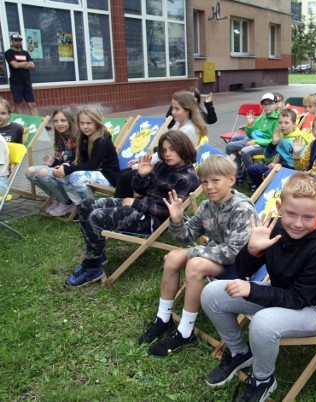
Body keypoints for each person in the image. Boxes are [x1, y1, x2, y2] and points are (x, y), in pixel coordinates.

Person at [201, 172, 316, 401]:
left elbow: (297, 299)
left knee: (263, 324)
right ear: (280, 207)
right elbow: (243, 270)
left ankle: (263, 379)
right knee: (212, 293)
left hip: (312, 310)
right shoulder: (275, 230)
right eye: (291, 213)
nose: (297, 223)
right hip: (279, 295)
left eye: (308, 217)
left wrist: (253, 290)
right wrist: (252, 249)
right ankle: (239, 352)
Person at [139, 155, 256, 357]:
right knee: (173, 257)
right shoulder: (207, 207)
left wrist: (194, 252)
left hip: (239, 266)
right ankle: (163, 319)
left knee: (194, 265)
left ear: (231, 179)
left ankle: (185, 332)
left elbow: (233, 253)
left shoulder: (242, 208)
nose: (209, 186)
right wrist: (176, 220)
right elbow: (185, 237)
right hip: (214, 256)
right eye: (204, 182)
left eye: (215, 181)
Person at [65, 130, 200, 287]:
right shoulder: (162, 166)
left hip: (154, 221)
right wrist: (142, 175)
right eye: (164, 150)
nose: (167, 154)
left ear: (183, 147)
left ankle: (92, 267)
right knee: (86, 205)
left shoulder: (188, 179)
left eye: (172, 149)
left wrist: (136, 203)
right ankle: (96, 256)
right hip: (142, 208)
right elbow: (141, 190)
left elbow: (169, 211)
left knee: (97, 216)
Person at [52, 107, 119, 209]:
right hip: (93, 173)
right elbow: (81, 161)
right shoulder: (84, 137)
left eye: (88, 123)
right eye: (82, 123)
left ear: (97, 123)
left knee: (75, 177)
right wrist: (65, 167)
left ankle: (92, 207)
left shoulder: (102, 139)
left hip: (108, 176)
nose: (85, 127)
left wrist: (67, 169)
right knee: (61, 175)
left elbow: (92, 165)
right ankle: (79, 206)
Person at [25, 108, 78, 217]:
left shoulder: (77, 137)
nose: (59, 124)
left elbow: (78, 161)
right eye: (56, 121)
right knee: (29, 172)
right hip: (62, 169)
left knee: (43, 173)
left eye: (63, 120)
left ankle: (67, 202)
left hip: (74, 170)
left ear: (70, 121)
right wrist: (53, 162)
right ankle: (57, 198)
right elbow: (61, 161)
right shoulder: (60, 137)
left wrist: (60, 165)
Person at [246, 108, 313, 191]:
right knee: (252, 169)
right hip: (279, 166)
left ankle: (272, 192)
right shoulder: (280, 136)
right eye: (280, 122)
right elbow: (267, 154)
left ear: (294, 124)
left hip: (293, 170)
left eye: (286, 123)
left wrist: (279, 167)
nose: (283, 125)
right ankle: (262, 191)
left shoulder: (298, 139)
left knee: (268, 174)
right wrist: (273, 143)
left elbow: (298, 165)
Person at [226, 93, 280, 182]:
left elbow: (274, 140)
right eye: (264, 104)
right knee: (234, 139)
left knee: (241, 150)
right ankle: (239, 173)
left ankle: (251, 179)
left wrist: (256, 142)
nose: (267, 106)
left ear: (275, 104)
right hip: (253, 140)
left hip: (266, 146)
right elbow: (250, 134)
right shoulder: (261, 118)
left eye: (270, 103)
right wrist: (250, 124)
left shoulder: (278, 120)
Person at [4, 32, 37, 115]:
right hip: (16, 83)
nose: (18, 42)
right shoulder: (9, 53)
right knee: (18, 105)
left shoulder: (25, 53)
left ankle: (39, 125)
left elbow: (32, 65)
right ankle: (20, 125)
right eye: (16, 40)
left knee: (32, 104)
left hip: (27, 82)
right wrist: (26, 63)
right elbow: (14, 65)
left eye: (20, 40)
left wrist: (20, 64)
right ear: (11, 41)